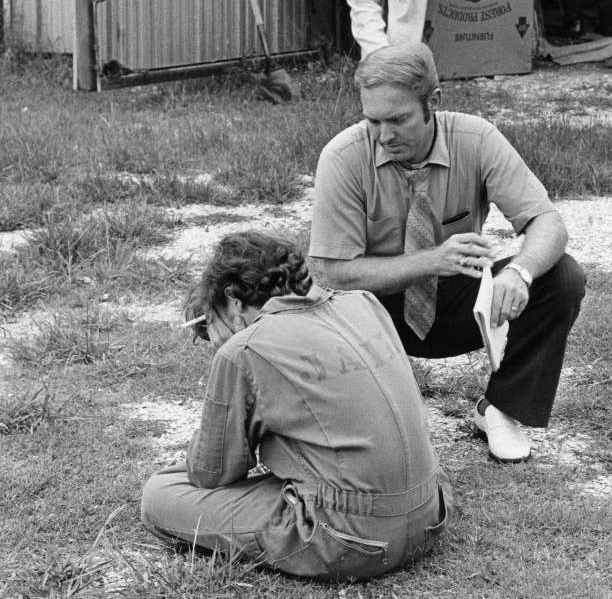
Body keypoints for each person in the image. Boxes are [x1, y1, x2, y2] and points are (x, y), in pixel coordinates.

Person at [309, 42, 586, 464]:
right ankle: (368, 404)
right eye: (373, 121)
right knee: (374, 442)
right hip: (369, 315)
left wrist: (521, 273)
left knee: (563, 278)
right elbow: (332, 273)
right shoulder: (343, 158)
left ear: (433, 102)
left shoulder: (477, 139)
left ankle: (501, 408)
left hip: (457, 302)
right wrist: (432, 259)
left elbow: (548, 223)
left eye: (398, 119)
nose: (384, 136)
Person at [141, 231, 448, 581]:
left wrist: (226, 363)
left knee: (160, 494)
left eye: (210, 321)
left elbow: (212, 474)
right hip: (430, 514)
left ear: (233, 301)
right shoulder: (364, 302)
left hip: (348, 540)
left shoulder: (244, 349)